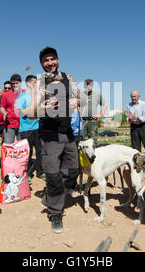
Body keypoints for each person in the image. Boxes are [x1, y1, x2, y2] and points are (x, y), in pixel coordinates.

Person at [29, 46, 85, 234]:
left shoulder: (70, 78)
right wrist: (43, 106)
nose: (50, 63)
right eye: (46, 61)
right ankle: (55, 213)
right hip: (49, 134)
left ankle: (50, 196)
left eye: (52, 59)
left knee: (74, 169)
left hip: (68, 132)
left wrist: (76, 102)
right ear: (42, 64)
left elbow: (82, 100)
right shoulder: (39, 83)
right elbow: (31, 112)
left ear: (58, 59)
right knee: (53, 175)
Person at [16, 75, 44, 186]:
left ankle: (41, 172)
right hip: (26, 129)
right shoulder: (22, 97)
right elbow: (22, 112)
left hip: (38, 128)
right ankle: (27, 174)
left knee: (40, 151)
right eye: (35, 82)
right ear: (29, 83)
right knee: (28, 153)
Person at [81, 79, 107, 144]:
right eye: (86, 85)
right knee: (81, 140)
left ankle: (93, 154)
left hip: (92, 121)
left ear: (92, 86)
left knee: (93, 141)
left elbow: (105, 104)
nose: (88, 86)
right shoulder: (80, 95)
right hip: (82, 121)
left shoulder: (97, 94)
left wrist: (101, 114)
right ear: (84, 86)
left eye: (89, 85)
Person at [0, 74, 24, 144]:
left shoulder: (25, 93)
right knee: (8, 146)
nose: (15, 85)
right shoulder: (6, 95)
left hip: (22, 125)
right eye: (13, 83)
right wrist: (4, 113)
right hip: (9, 125)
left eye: (17, 83)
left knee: (21, 147)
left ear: (20, 83)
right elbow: (2, 107)